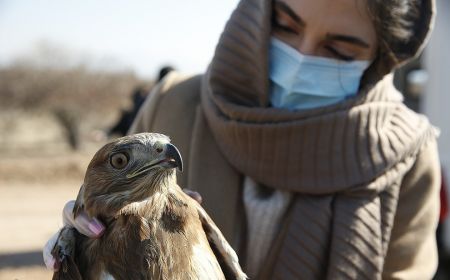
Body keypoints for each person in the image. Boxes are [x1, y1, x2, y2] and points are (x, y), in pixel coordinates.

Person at [44, 0, 440, 278]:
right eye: (285, 25)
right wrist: (83, 245)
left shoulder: (407, 155)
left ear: (379, 59)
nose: (301, 55)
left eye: (337, 49)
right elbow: (108, 202)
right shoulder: (175, 103)